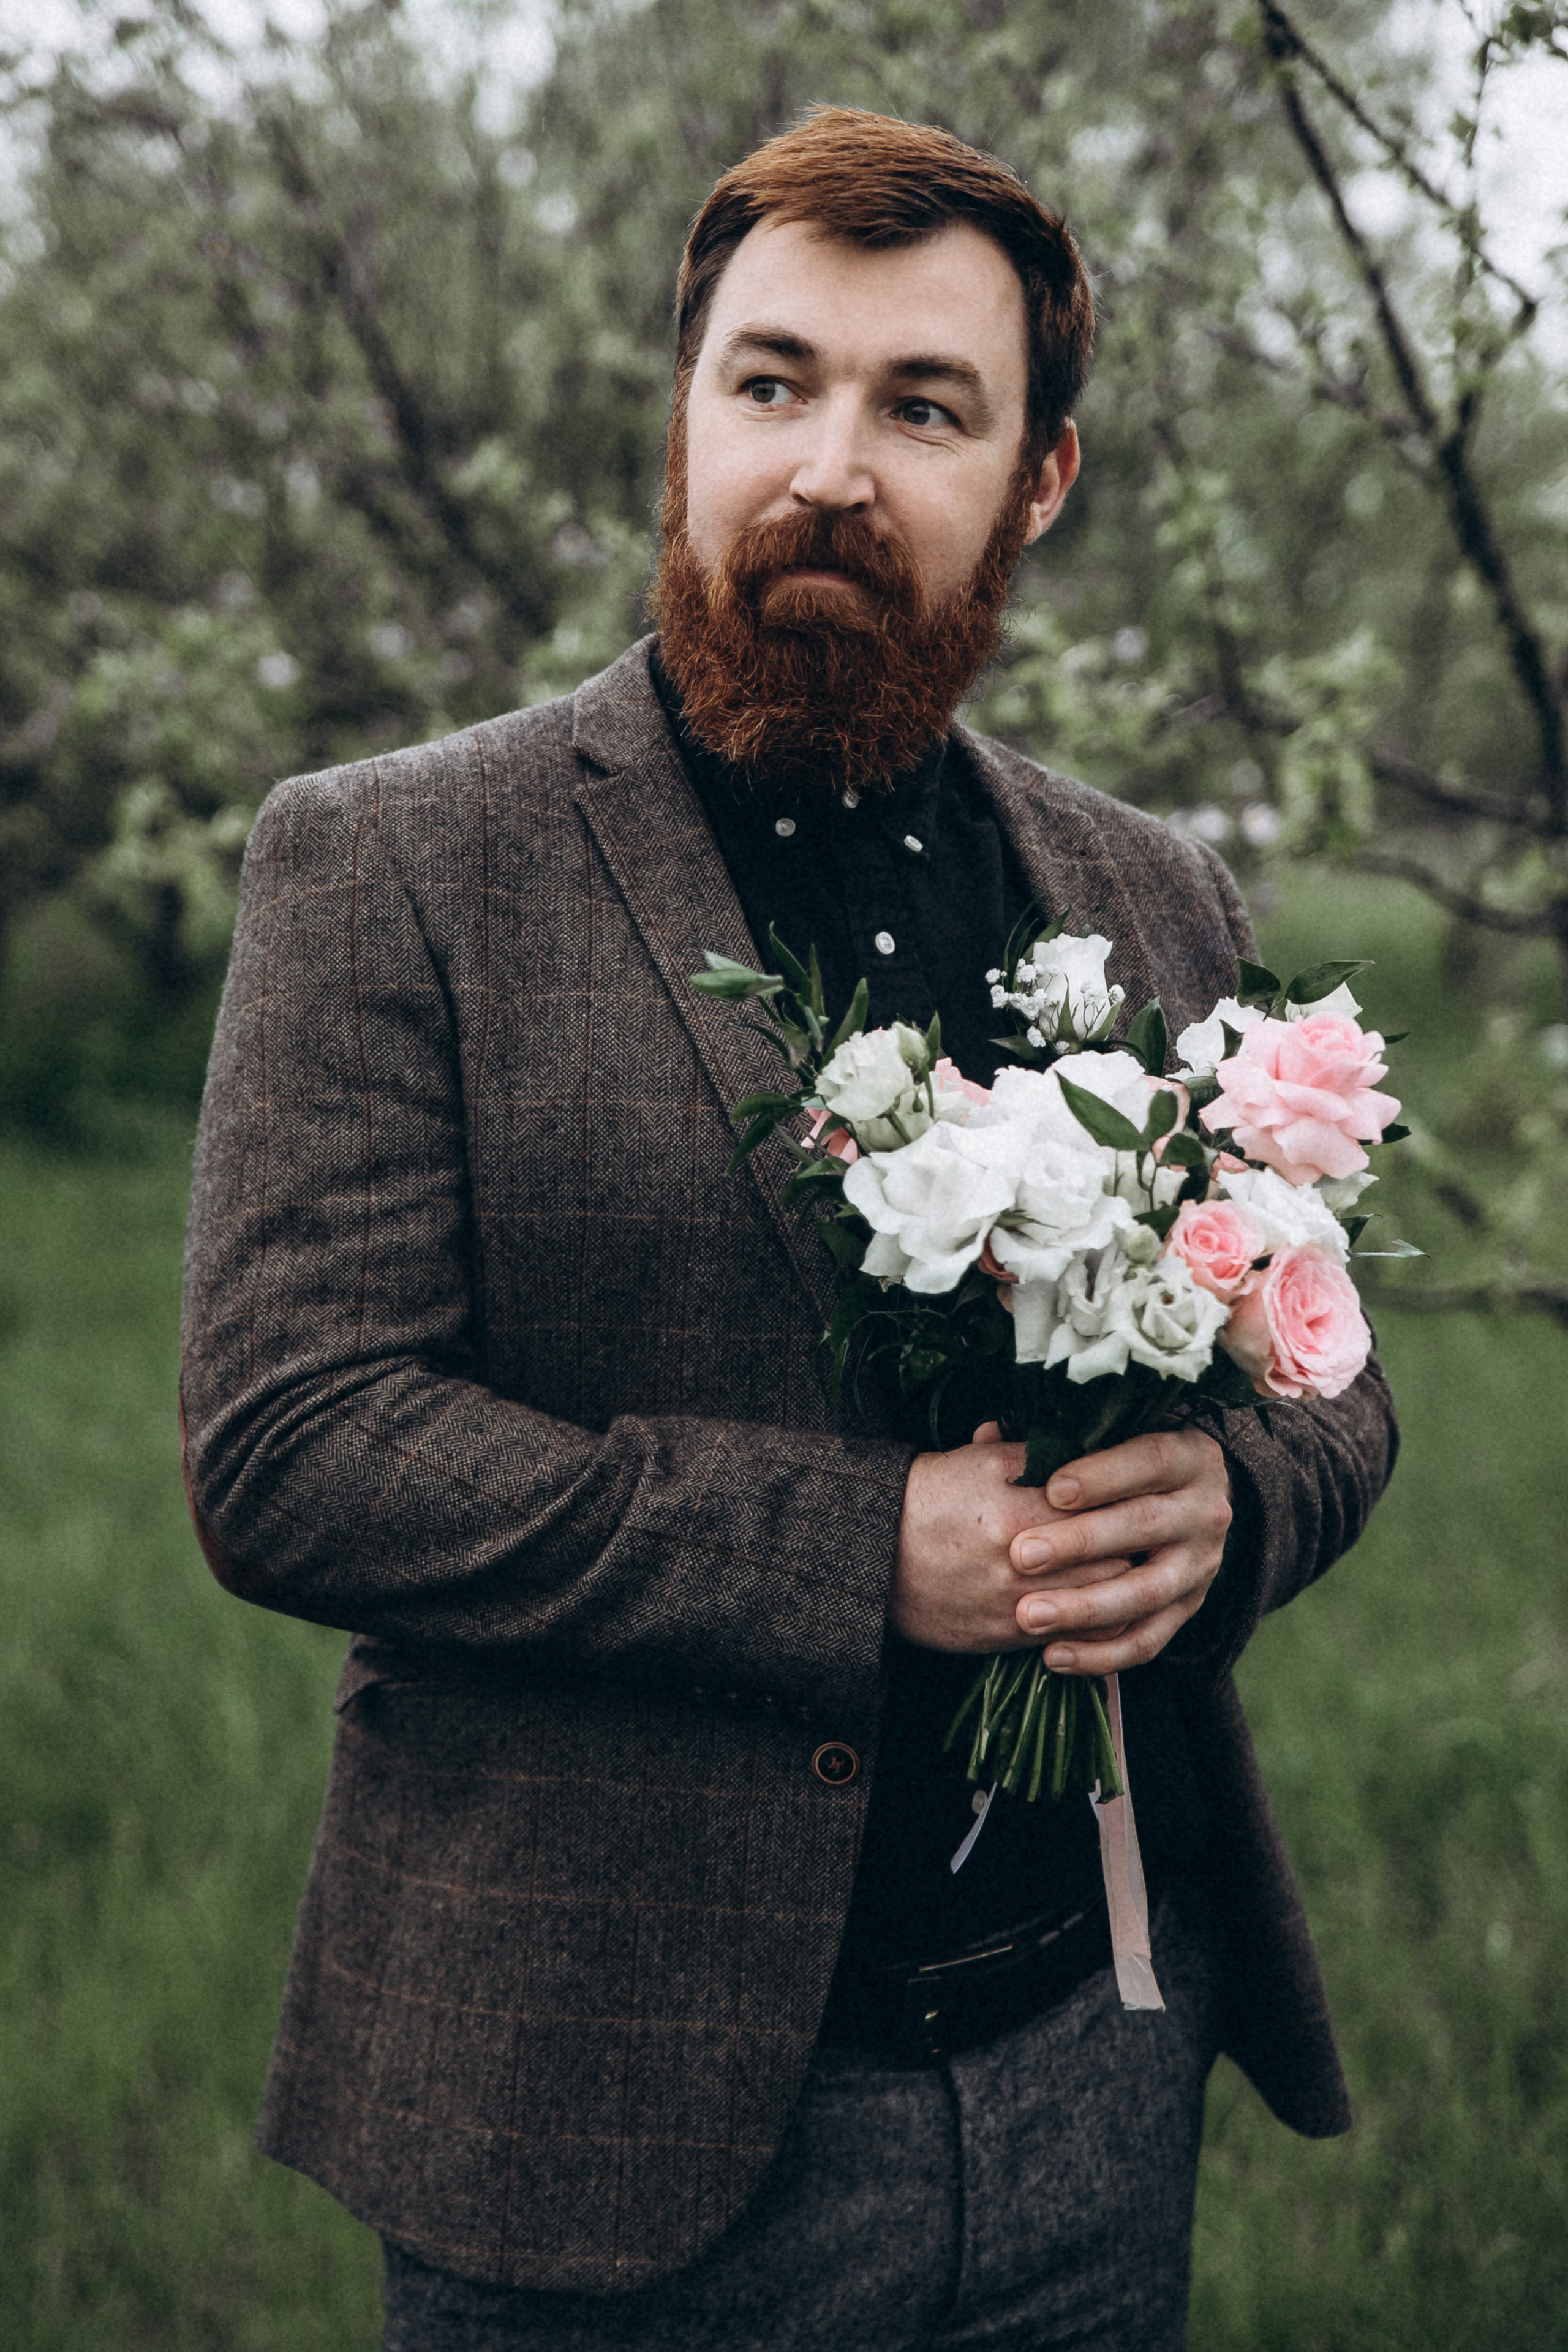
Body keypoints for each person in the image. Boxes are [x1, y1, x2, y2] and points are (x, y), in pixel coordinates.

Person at [181, 107, 1397, 2352]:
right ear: (683, 416)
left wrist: (1238, 1498)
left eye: (922, 407)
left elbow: (1331, 1377)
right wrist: (857, 1557)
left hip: (1093, 2077)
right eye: (772, 381)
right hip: (598, 2135)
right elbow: (291, 1446)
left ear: (1035, 483)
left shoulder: (1154, 896)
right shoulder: (387, 865)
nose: (829, 464)